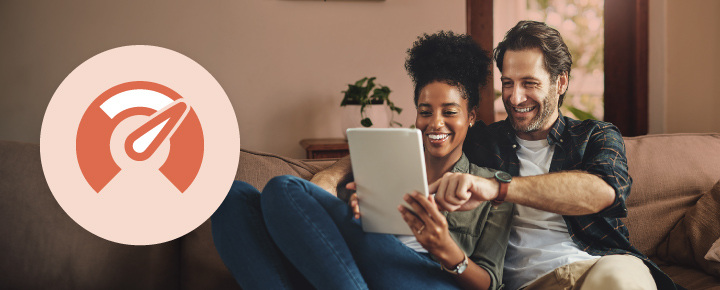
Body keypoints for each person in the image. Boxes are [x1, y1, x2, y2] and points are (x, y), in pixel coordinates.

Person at [314, 21, 682, 290]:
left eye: (530, 84)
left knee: (622, 279)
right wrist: (329, 180)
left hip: (597, 271)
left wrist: (498, 188)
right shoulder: (482, 140)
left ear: (561, 82)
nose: (516, 97)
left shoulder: (596, 136)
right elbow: (412, 140)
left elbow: (601, 192)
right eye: (507, 83)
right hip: (520, 285)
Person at [211, 31, 514, 290]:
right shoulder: (385, 162)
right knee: (232, 196)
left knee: (283, 189)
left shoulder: (489, 187)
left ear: (471, 117)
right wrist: (354, 211)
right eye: (425, 111)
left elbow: (490, 282)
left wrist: (444, 247)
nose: (435, 123)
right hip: (361, 270)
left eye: (449, 112)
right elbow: (342, 232)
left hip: (430, 277)